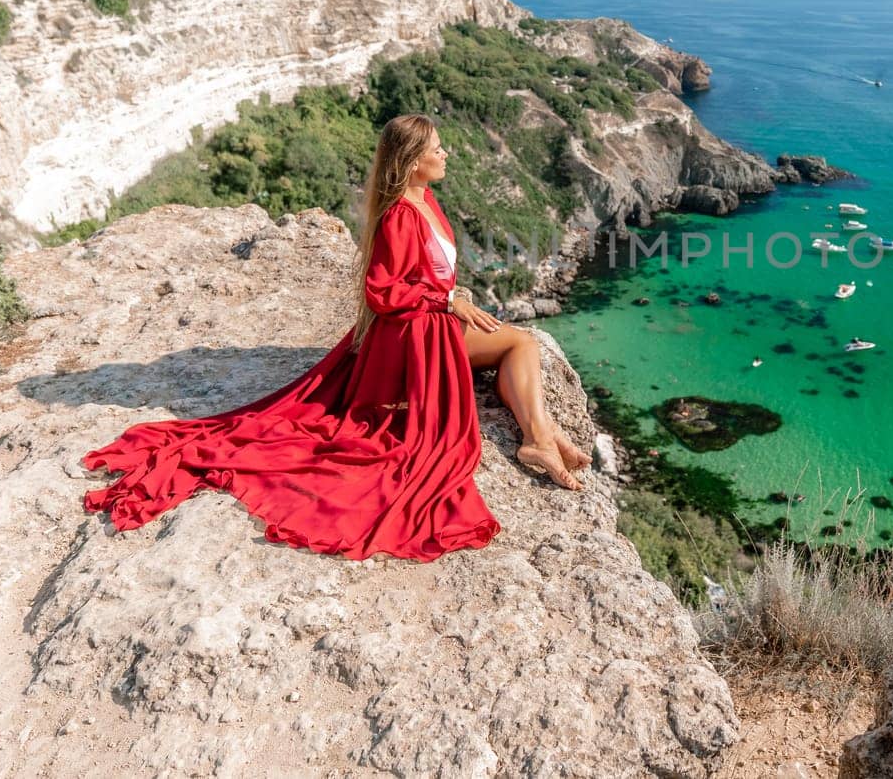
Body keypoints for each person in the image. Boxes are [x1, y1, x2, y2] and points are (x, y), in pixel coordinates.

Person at [82, 114, 590, 562]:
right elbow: (382, 292)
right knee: (521, 343)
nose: (446, 153)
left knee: (519, 343)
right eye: (436, 148)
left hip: (431, 325)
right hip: (414, 338)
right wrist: (445, 302)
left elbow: (429, 272)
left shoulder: (425, 198)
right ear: (413, 162)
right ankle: (539, 438)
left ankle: (540, 433)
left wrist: (450, 293)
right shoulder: (399, 215)